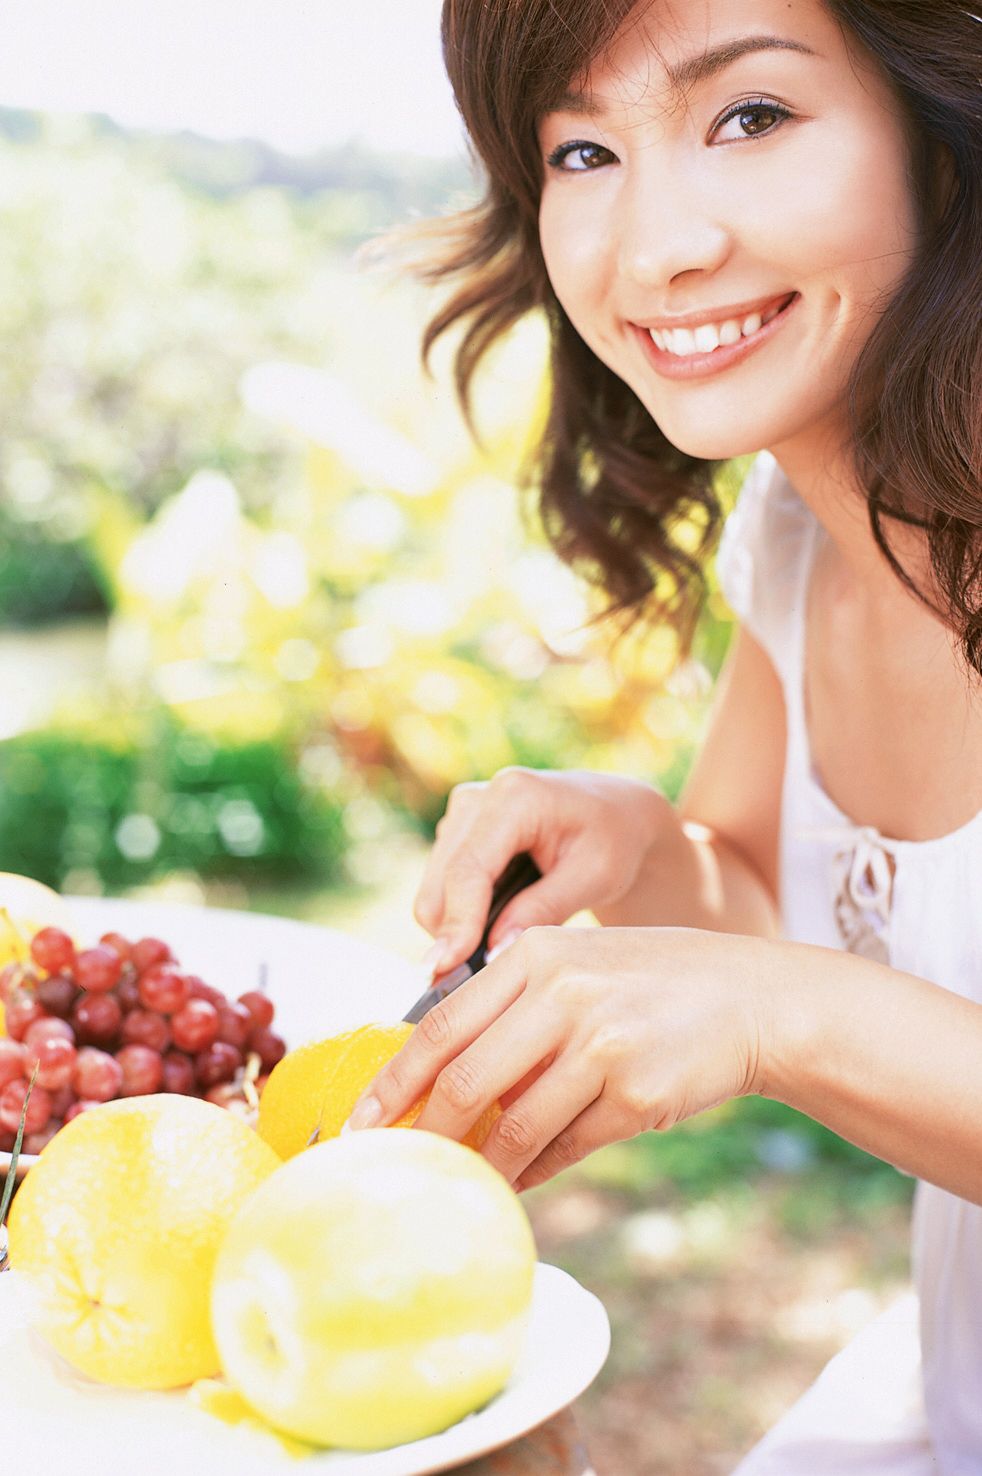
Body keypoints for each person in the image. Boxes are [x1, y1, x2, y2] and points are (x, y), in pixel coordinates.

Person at [348, 1, 982, 1468]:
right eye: (581, 148)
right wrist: (635, 843)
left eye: (747, 117)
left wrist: (774, 1018)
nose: (654, 249)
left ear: (935, 125)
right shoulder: (802, 527)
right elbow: (763, 891)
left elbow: (788, 985)